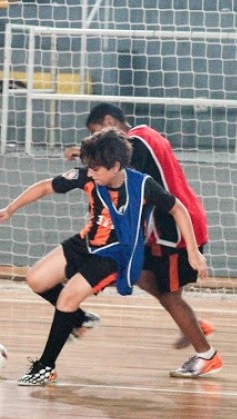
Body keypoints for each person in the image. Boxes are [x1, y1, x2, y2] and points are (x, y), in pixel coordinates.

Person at [0, 128, 208, 386]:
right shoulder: (89, 175)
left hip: (116, 253)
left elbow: (178, 209)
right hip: (87, 241)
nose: (90, 173)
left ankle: (45, 366)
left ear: (115, 166)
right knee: (36, 280)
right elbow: (46, 187)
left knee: (66, 297)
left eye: (95, 168)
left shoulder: (142, 185)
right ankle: (80, 318)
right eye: (89, 167)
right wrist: (10, 209)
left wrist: (193, 252)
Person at [65, 103, 221, 379]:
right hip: (165, 227)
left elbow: (117, 164)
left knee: (170, 295)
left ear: (110, 121)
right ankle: (193, 325)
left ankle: (206, 355)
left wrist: (82, 155)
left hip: (175, 230)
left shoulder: (137, 143)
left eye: (97, 133)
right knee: (139, 274)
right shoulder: (147, 135)